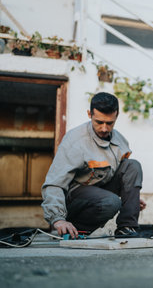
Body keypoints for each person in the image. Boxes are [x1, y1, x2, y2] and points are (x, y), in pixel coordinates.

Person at [41, 92, 147, 238]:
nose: (104, 128)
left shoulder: (120, 141)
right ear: (90, 114)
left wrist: (130, 197)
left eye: (109, 123)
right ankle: (74, 230)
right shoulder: (75, 141)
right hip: (75, 197)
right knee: (111, 202)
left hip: (100, 192)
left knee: (133, 165)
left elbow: (125, 174)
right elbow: (54, 183)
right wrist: (57, 219)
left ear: (117, 115)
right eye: (99, 122)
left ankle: (127, 228)